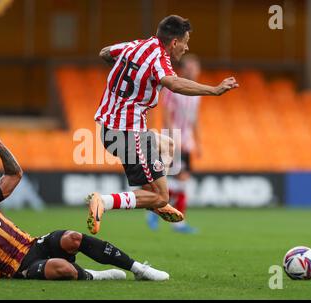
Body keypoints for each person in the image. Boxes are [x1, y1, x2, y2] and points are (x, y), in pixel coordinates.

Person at [0, 132, 169, 281]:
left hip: (33, 245)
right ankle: (96, 275)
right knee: (62, 267)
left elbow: (15, 173)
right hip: (18, 269)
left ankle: (138, 269)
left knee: (73, 238)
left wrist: (0, 148)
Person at [88, 15, 239, 234]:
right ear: (175, 42)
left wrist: (129, 71)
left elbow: (105, 52)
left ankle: (154, 201)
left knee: (168, 146)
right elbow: (174, 84)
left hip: (111, 129)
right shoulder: (159, 58)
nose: (186, 48)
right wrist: (214, 90)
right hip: (128, 132)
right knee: (162, 196)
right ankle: (105, 201)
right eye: (186, 42)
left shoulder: (135, 46)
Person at [147, 54, 202, 234]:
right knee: (180, 179)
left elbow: (194, 120)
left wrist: (197, 142)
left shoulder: (196, 93)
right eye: (191, 67)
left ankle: (157, 209)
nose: (194, 71)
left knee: (178, 180)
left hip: (185, 141)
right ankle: (173, 219)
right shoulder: (173, 87)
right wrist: (173, 139)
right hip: (172, 140)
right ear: (184, 69)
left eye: (196, 67)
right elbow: (166, 115)